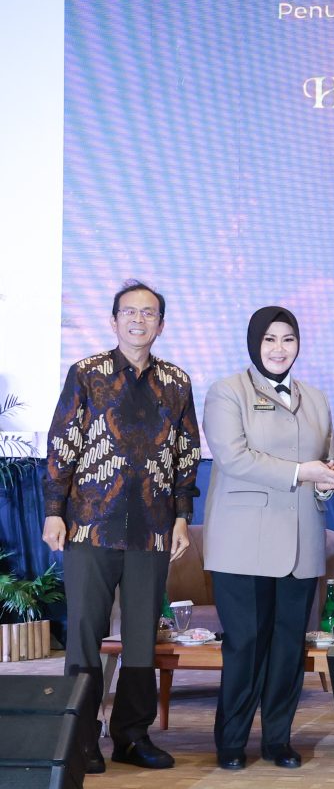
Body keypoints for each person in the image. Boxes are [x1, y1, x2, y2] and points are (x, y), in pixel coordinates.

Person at [42, 281, 201, 773]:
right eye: (128, 312)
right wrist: (53, 509)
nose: (138, 320)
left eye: (148, 313)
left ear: (161, 324)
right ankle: (81, 738)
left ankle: (132, 736)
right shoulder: (86, 373)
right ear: (113, 321)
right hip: (90, 525)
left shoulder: (176, 382)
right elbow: (62, 440)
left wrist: (181, 516)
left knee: (139, 638)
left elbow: (186, 453)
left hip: (152, 528)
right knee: (86, 636)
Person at [202, 307, 334, 770]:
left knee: (287, 647)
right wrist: (305, 472)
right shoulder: (227, 392)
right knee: (245, 645)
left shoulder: (318, 398)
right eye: (269, 339)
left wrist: (329, 480)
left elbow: (327, 460)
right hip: (243, 544)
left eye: (288, 339)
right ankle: (230, 743)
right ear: (253, 344)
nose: (280, 348)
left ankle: (278, 740)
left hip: (302, 542)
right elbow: (233, 457)